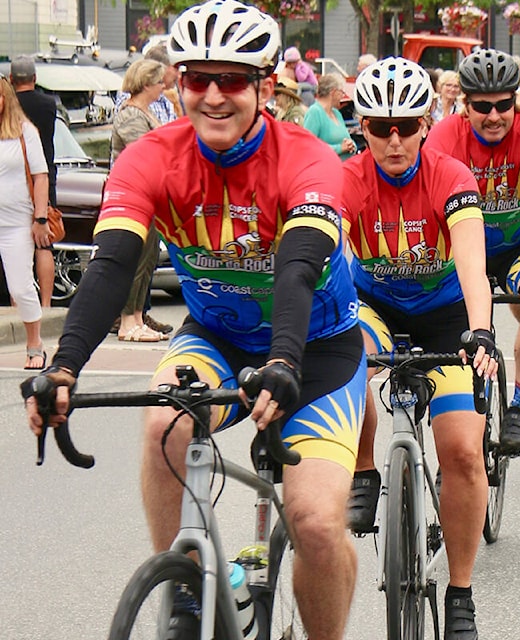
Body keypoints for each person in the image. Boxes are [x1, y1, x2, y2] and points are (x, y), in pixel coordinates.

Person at [23, 3, 366, 639]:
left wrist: (286, 361)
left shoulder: (308, 159)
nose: (212, 95)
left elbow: (295, 271)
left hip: (316, 349)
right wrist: (64, 364)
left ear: (263, 86)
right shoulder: (151, 156)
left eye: (231, 79)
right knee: (162, 426)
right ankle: (184, 588)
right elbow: (111, 264)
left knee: (317, 525)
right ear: (177, 81)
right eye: (196, 77)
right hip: (217, 337)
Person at [341, 57, 497, 640]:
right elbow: (324, 258)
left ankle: (460, 591)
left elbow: (474, 269)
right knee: (348, 349)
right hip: (374, 307)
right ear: (362, 127)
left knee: (460, 450)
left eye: (407, 124)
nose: (395, 138)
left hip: (445, 316)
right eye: (380, 127)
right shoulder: (346, 179)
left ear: (427, 121)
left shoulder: (452, 178)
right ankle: (363, 468)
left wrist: (479, 331)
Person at [424, 48, 520, 456]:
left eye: (504, 104)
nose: (495, 115)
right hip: (463, 250)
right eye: (483, 106)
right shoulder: (444, 135)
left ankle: (519, 406)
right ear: (465, 106)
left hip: (515, 246)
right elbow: (429, 212)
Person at [110, 58, 169, 343]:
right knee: (134, 260)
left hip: (149, 195)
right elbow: (144, 154)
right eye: (159, 82)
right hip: (133, 196)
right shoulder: (131, 115)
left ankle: (136, 318)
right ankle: (126, 322)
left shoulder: (145, 112)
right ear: (147, 83)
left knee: (147, 260)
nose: (162, 87)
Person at [0, 73, 49, 369]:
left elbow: (40, 175)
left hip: (16, 220)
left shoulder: (23, 131)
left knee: (20, 288)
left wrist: (40, 217)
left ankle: (35, 343)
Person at [10, 55, 56, 309]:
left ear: (11, 79)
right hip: (45, 177)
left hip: (16, 178)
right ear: (35, 78)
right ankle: (47, 304)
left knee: (15, 244)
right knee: (44, 243)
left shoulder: (9, 106)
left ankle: (16, 302)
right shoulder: (48, 105)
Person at [304, 73, 356, 160]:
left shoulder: (337, 113)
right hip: (325, 170)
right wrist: (340, 148)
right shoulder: (314, 112)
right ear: (333, 92)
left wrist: (351, 145)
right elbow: (308, 146)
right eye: (341, 92)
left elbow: (347, 138)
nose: (342, 97)